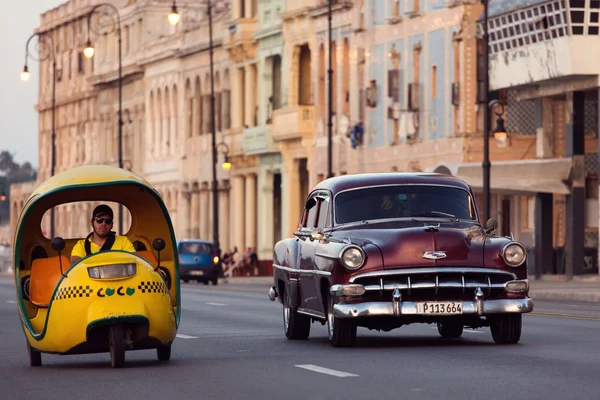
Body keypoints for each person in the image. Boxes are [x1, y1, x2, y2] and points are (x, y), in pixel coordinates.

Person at [70, 204, 135, 265]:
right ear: (92, 223)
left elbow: (135, 261)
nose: (103, 224)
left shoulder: (123, 242)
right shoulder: (81, 245)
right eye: (99, 220)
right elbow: (75, 266)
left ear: (112, 225)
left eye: (108, 221)